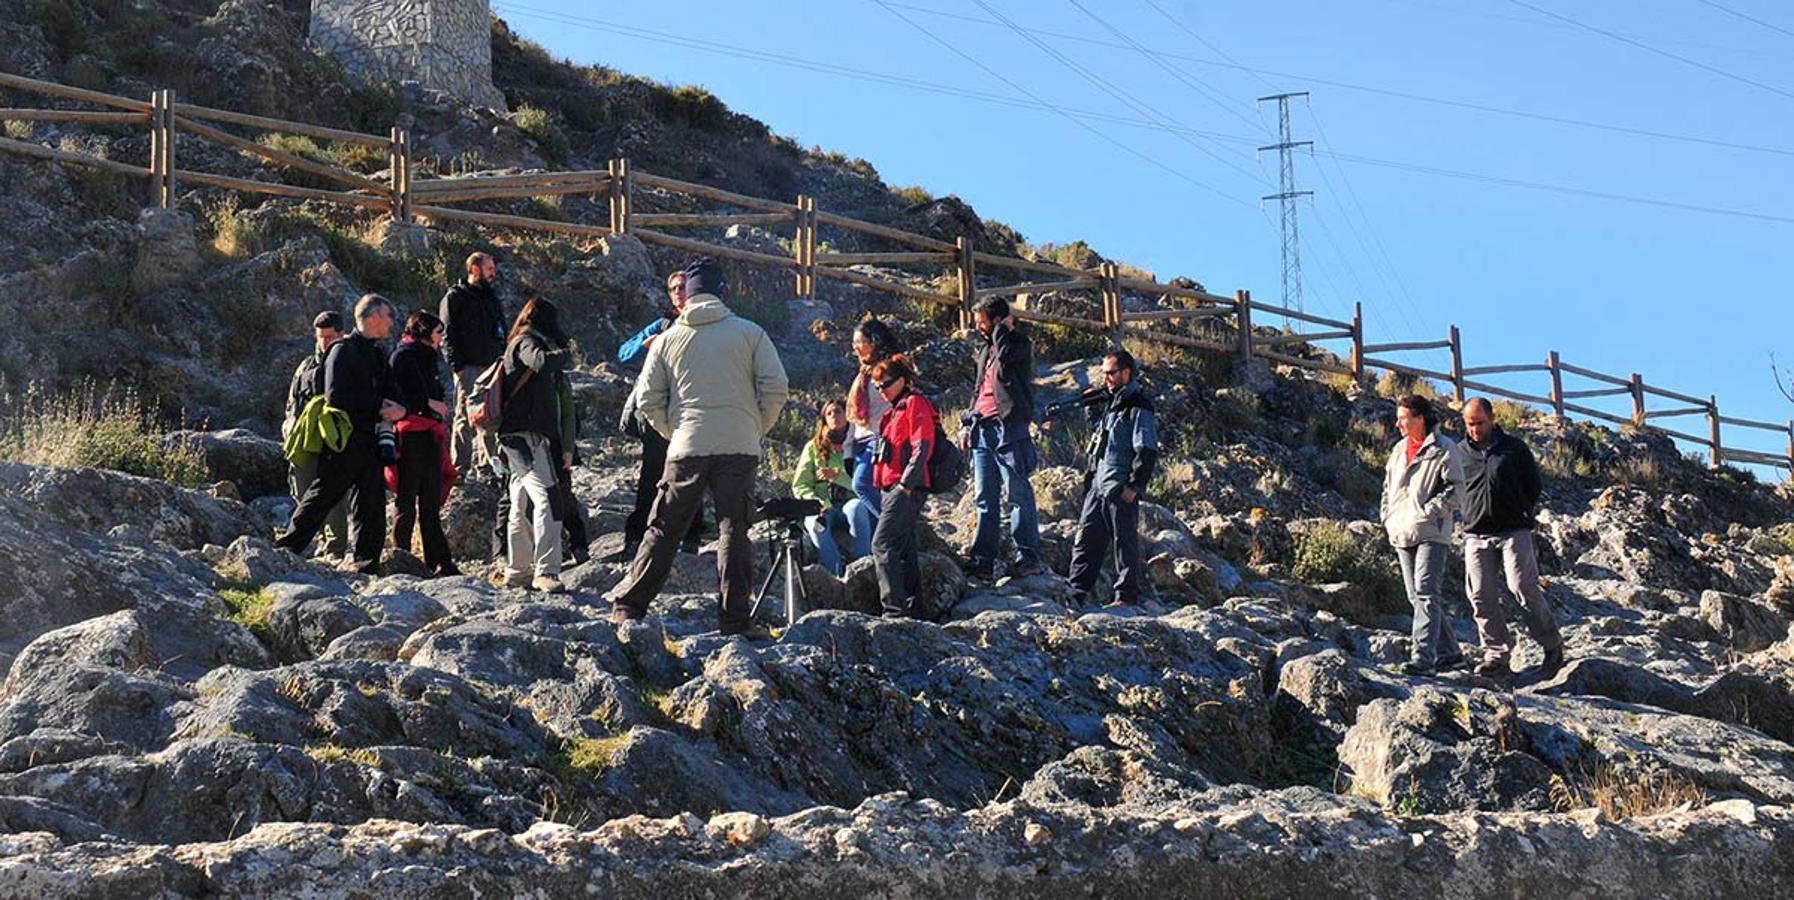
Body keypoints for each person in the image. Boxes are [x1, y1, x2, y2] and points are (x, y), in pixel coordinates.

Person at [607, 258, 789, 638]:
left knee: (663, 528)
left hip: (687, 445)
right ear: (723, 293)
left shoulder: (667, 339)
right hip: (739, 445)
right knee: (734, 532)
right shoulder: (751, 332)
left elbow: (647, 399)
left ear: (686, 297)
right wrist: (754, 426)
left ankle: (628, 607)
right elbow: (776, 389)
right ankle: (735, 621)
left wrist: (674, 431)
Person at [275, 294, 406, 574]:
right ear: (372, 318)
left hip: (371, 438)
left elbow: (392, 391)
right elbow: (336, 397)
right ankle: (285, 549)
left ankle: (366, 563)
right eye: (387, 316)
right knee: (323, 495)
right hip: (346, 439)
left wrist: (400, 410)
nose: (391, 322)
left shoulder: (378, 353)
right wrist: (381, 407)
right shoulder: (342, 351)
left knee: (371, 502)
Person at [1460, 397, 1564, 681]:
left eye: (1480, 423)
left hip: (1513, 531)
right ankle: (1496, 656)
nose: (1475, 429)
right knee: (1480, 594)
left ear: (1493, 419)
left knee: (1522, 587)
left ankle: (1552, 645)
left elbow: (1534, 485)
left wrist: (1520, 511)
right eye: (1470, 424)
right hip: (1476, 533)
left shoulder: (1514, 449)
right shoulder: (1459, 453)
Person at [616, 269, 705, 559]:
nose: (679, 292)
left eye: (683, 287)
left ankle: (691, 537)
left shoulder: (704, 325)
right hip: (658, 414)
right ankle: (637, 538)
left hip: (691, 411)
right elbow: (624, 353)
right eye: (674, 288)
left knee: (692, 473)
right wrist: (646, 345)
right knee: (652, 476)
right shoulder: (663, 325)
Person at [1379, 394, 1466, 676]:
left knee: (1426, 592)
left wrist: (1429, 511)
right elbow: (1387, 488)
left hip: (1431, 531)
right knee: (1415, 596)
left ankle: (1423, 659)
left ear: (1420, 418)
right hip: (1401, 530)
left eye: (1403, 418)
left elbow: (1456, 489)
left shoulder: (1444, 447)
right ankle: (1451, 654)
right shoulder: (1397, 450)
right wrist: (1387, 516)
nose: (1398, 424)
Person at [1065, 350, 1159, 607]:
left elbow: (1147, 448)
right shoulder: (1111, 402)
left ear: (1126, 373)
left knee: (1124, 543)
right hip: (1098, 484)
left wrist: (1134, 485)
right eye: (1104, 372)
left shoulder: (1139, 405)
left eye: (1111, 372)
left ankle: (1126, 597)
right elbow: (1102, 437)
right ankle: (1074, 595)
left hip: (1120, 486)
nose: (1105, 377)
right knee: (1086, 541)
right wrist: (1091, 410)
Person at [960, 297, 1043, 582]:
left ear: (996, 320)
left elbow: (1007, 358)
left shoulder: (1017, 343)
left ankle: (1028, 557)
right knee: (985, 496)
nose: (977, 327)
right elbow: (977, 388)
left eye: (982, 321)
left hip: (1008, 429)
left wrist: (1002, 329)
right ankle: (982, 561)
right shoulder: (986, 349)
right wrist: (967, 423)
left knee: (1017, 493)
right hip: (982, 429)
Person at [498, 295, 572, 592]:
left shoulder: (516, 340)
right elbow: (540, 363)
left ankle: (517, 572)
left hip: (514, 435)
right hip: (526, 436)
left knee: (520, 501)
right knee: (548, 498)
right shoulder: (527, 342)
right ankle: (546, 571)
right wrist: (565, 354)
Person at [387, 310, 458, 578]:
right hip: (410, 433)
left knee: (429, 503)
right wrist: (429, 404)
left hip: (429, 434)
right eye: (438, 332)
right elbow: (396, 392)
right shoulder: (403, 356)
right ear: (425, 332)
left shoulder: (426, 357)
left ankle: (440, 562)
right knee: (406, 502)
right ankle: (401, 560)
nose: (441, 338)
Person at [870, 355, 939, 619]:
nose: (881, 391)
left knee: (881, 543)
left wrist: (905, 485)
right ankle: (913, 608)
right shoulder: (894, 410)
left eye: (885, 384)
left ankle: (894, 610)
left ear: (901, 380)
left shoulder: (914, 404)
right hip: (892, 487)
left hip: (904, 488)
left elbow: (923, 445)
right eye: (877, 387)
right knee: (903, 546)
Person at [281, 310, 350, 560]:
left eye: (329, 337)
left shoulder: (348, 360)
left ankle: (335, 547)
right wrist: (289, 429)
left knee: (333, 494)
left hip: (334, 436)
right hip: (305, 435)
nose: (324, 342)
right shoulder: (307, 365)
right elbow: (293, 400)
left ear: (342, 334)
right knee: (302, 490)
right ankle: (318, 539)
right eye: (320, 337)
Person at [440, 251, 506, 476]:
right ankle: (459, 468)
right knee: (463, 417)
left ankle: (487, 465)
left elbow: (501, 329)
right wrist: (456, 366)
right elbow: (447, 333)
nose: (493, 274)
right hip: (468, 366)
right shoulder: (455, 297)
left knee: (491, 416)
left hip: (492, 366)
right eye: (489, 269)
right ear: (475, 269)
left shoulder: (492, 297)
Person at [792, 399, 874, 577]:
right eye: (828, 413)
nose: (833, 416)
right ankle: (837, 573)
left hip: (850, 503)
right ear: (823, 420)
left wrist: (837, 476)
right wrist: (818, 502)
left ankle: (863, 568)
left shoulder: (859, 445)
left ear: (847, 415)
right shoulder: (813, 447)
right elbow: (800, 484)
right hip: (823, 506)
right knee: (814, 523)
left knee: (857, 508)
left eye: (838, 411)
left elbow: (866, 484)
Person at [845, 317, 901, 525]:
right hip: (860, 442)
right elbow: (853, 416)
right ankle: (883, 547)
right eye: (854, 344)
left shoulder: (889, 370)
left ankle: (896, 527)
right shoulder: (862, 374)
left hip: (879, 438)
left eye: (859, 343)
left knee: (861, 485)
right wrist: (848, 449)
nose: (856, 349)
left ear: (874, 342)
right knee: (872, 493)